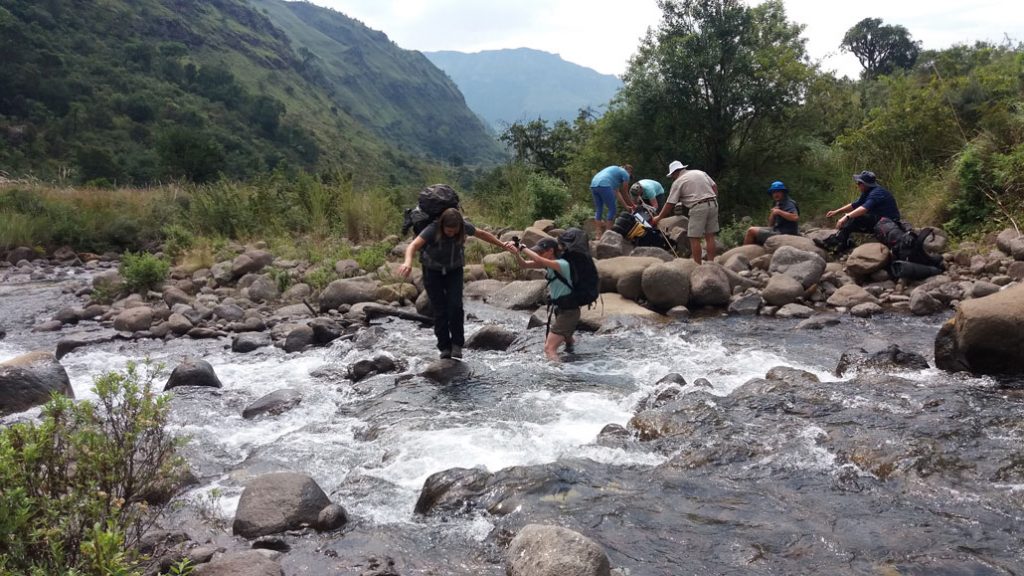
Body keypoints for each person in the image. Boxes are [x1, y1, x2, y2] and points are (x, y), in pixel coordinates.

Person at [399, 208, 517, 359]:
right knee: (440, 310)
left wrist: (502, 245)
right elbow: (413, 246)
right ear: (442, 226)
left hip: (454, 270)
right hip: (432, 271)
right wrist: (408, 262)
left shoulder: (463, 226)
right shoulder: (432, 228)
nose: (452, 233)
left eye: (455, 231)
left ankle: (457, 345)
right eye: (449, 230)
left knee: (455, 306)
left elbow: (482, 234)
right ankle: (444, 347)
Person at [515, 238, 578, 361]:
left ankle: (559, 377)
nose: (539, 254)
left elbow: (538, 259)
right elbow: (523, 264)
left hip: (569, 312)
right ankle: (575, 357)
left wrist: (522, 248)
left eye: (541, 251)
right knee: (568, 339)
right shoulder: (550, 263)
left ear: (551, 251)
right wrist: (516, 253)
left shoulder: (562, 264)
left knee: (549, 348)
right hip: (561, 309)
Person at [650, 160, 719, 265]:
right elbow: (714, 187)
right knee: (710, 236)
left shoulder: (678, 181)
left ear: (674, 172)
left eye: (672, 175)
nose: (673, 177)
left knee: (694, 237)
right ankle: (711, 264)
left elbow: (670, 203)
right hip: (713, 203)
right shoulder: (700, 172)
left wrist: (658, 218)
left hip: (698, 207)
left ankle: (697, 266)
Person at [817, 170, 901, 253]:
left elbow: (863, 209)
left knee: (854, 217)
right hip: (880, 220)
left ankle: (834, 244)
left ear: (865, 184)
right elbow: (855, 205)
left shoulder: (876, 193)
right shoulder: (868, 191)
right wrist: (836, 211)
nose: (857, 185)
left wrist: (846, 217)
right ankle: (843, 243)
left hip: (888, 222)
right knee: (852, 216)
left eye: (859, 183)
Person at [744, 181, 800, 245]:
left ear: (783, 192)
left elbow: (795, 217)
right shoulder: (778, 202)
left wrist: (779, 212)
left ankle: (744, 252)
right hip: (777, 229)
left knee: (751, 231)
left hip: (785, 233)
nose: (776, 194)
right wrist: (773, 214)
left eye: (778, 191)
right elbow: (770, 225)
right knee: (752, 229)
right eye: (774, 192)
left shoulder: (789, 203)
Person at [590, 164, 634, 235]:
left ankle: (598, 234)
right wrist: (633, 205)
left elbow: (617, 193)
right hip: (604, 185)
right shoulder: (626, 174)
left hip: (593, 184)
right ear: (629, 171)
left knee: (599, 209)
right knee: (612, 209)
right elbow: (625, 193)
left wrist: (626, 206)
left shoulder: (614, 171)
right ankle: (608, 235)